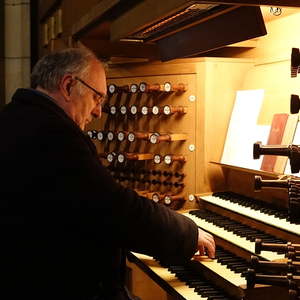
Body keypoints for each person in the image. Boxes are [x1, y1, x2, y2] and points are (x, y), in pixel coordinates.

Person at [0, 47, 215, 300]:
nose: (98, 112)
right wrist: (187, 234)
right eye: (96, 98)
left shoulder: (15, 117)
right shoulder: (53, 134)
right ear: (69, 86)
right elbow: (114, 208)